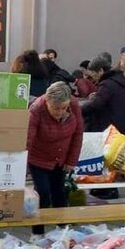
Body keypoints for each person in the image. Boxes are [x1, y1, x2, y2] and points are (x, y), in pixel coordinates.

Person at [27, 82, 84, 234]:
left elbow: (78, 133)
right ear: (47, 102)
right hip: (38, 157)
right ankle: (38, 232)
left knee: (60, 193)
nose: (60, 112)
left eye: (64, 108)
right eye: (55, 108)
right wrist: (21, 165)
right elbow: (28, 139)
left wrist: (72, 160)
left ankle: (63, 230)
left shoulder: (74, 104)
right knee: (43, 193)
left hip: (61, 158)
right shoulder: (36, 109)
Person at [82, 56, 125, 137]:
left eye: (94, 75)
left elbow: (96, 104)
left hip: (114, 130)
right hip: (123, 127)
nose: (94, 80)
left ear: (101, 71)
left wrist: (78, 109)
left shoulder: (107, 84)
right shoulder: (117, 81)